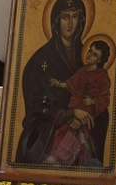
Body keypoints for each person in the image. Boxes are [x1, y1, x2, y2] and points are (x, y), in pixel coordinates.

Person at [16, 0, 91, 163]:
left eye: (75, 17)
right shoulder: (39, 61)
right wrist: (69, 114)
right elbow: (36, 106)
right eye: (65, 17)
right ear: (56, 22)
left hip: (81, 127)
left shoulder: (88, 57)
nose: (70, 24)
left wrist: (85, 114)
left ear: (82, 20)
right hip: (46, 130)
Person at [46, 38, 112, 166]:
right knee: (64, 131)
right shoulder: (82, 71)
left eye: (94, 54)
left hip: (89, 111)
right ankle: (57, 156)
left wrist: (93, 101)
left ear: (99, 60)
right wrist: (59, 84)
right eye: (90, 51)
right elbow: (72, 83)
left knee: (74, 132)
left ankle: (59, 157)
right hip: (76, 106)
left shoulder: (102, 75)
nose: (89, 55)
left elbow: (105, 97)